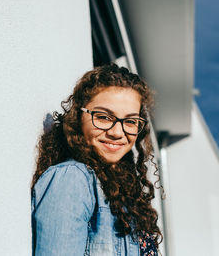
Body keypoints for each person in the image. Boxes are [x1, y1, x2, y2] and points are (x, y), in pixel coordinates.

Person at [31, 64, 162, 256]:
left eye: (130, 121)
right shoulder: (73, 179)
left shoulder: (121, 190)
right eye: (103, 117)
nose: (117, 132)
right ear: (78, 116)